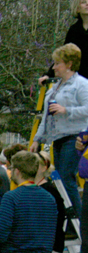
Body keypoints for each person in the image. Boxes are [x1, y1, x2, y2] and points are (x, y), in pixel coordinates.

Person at [30, 43, 88, 213]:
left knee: (66, 177)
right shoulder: (54, 89)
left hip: (74, 136)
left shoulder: (82, 84)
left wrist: (66, 110)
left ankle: (78, 218)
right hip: (57, 138)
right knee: (58, 179)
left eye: (57, 63)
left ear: (69, 64)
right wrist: (36, 140)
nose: (54, 67)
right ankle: (67, 215)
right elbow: (46, 117)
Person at [39, 0, 88, 84]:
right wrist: (49, 75)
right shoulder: (74, 31)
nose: (87, 4)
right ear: (77, 8)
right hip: (80, 82)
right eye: (83, 2)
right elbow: (65, 56)